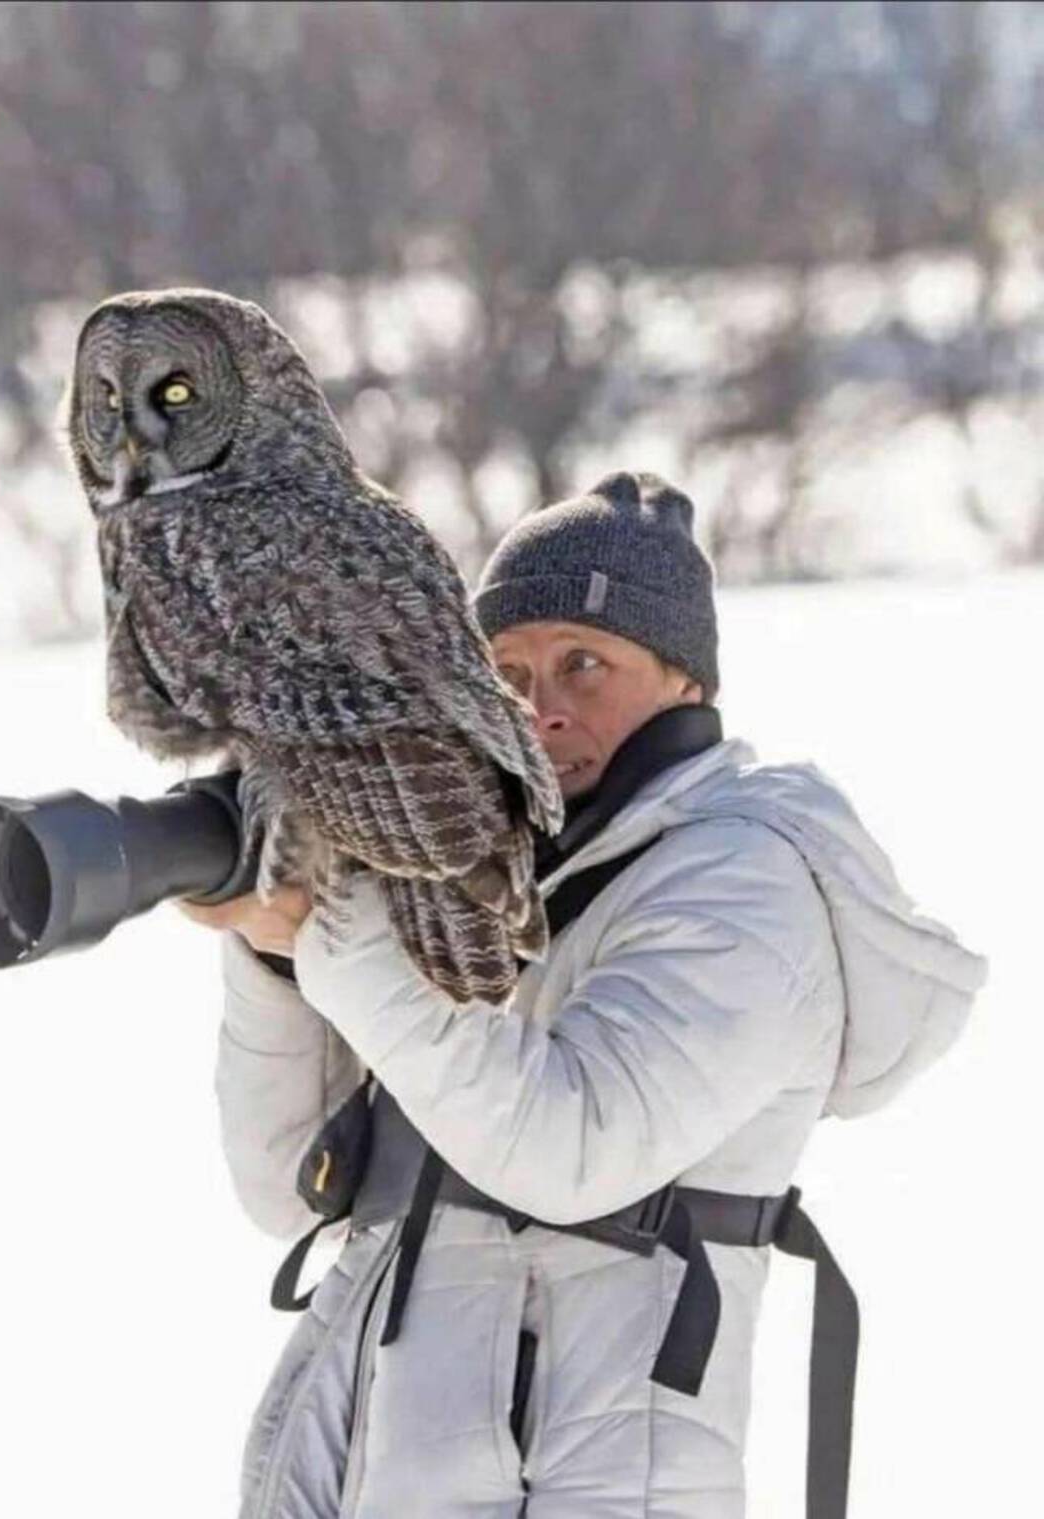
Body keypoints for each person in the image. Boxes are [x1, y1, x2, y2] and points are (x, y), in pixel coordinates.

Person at [178, 470, 987, 1519]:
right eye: (506, 672)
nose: (540, 707)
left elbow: (572, 1143)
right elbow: (288, 1187)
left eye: (585, 664)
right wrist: (279, 960)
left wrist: (340, 940)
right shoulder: (478, 884)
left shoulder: (747, 882)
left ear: (685, 684)